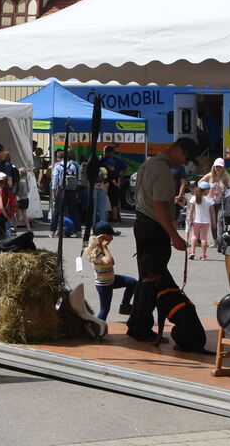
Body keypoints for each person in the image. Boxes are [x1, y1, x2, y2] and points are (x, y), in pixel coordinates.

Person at [127, 137, 196, 343]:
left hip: (142, 225)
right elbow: (160, 208)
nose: (184, 163)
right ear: (178, 150)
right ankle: (141, 328)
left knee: (146, 277)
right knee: (152, 280)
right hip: (154, 229)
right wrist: (175, 237)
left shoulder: (148, 164)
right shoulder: (163, 171)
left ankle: (136, 323)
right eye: (185, 157)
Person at [86, 222, 136, 321]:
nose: (112, 238)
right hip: (104, 285)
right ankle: (97, 330)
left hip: (110, 279)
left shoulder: (100, 248)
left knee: (133, 282)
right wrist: (105, 248)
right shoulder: (96, 252)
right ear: (103, 237)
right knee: (104, 310)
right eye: (111, 236)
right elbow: (110, 262)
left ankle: (125, 306)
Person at [186, 180, 217, 260]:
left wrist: (190, 220)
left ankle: (192, 252)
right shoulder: (210, 199)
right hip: (206, 222)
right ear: (206, 190)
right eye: (209, 189)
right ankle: (203, 255)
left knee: (194, 236)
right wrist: (214, 222)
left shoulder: (194, 198)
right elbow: (213, 213)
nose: (209, 191)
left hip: (196, 221)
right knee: (204, 238)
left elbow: (191, 211)